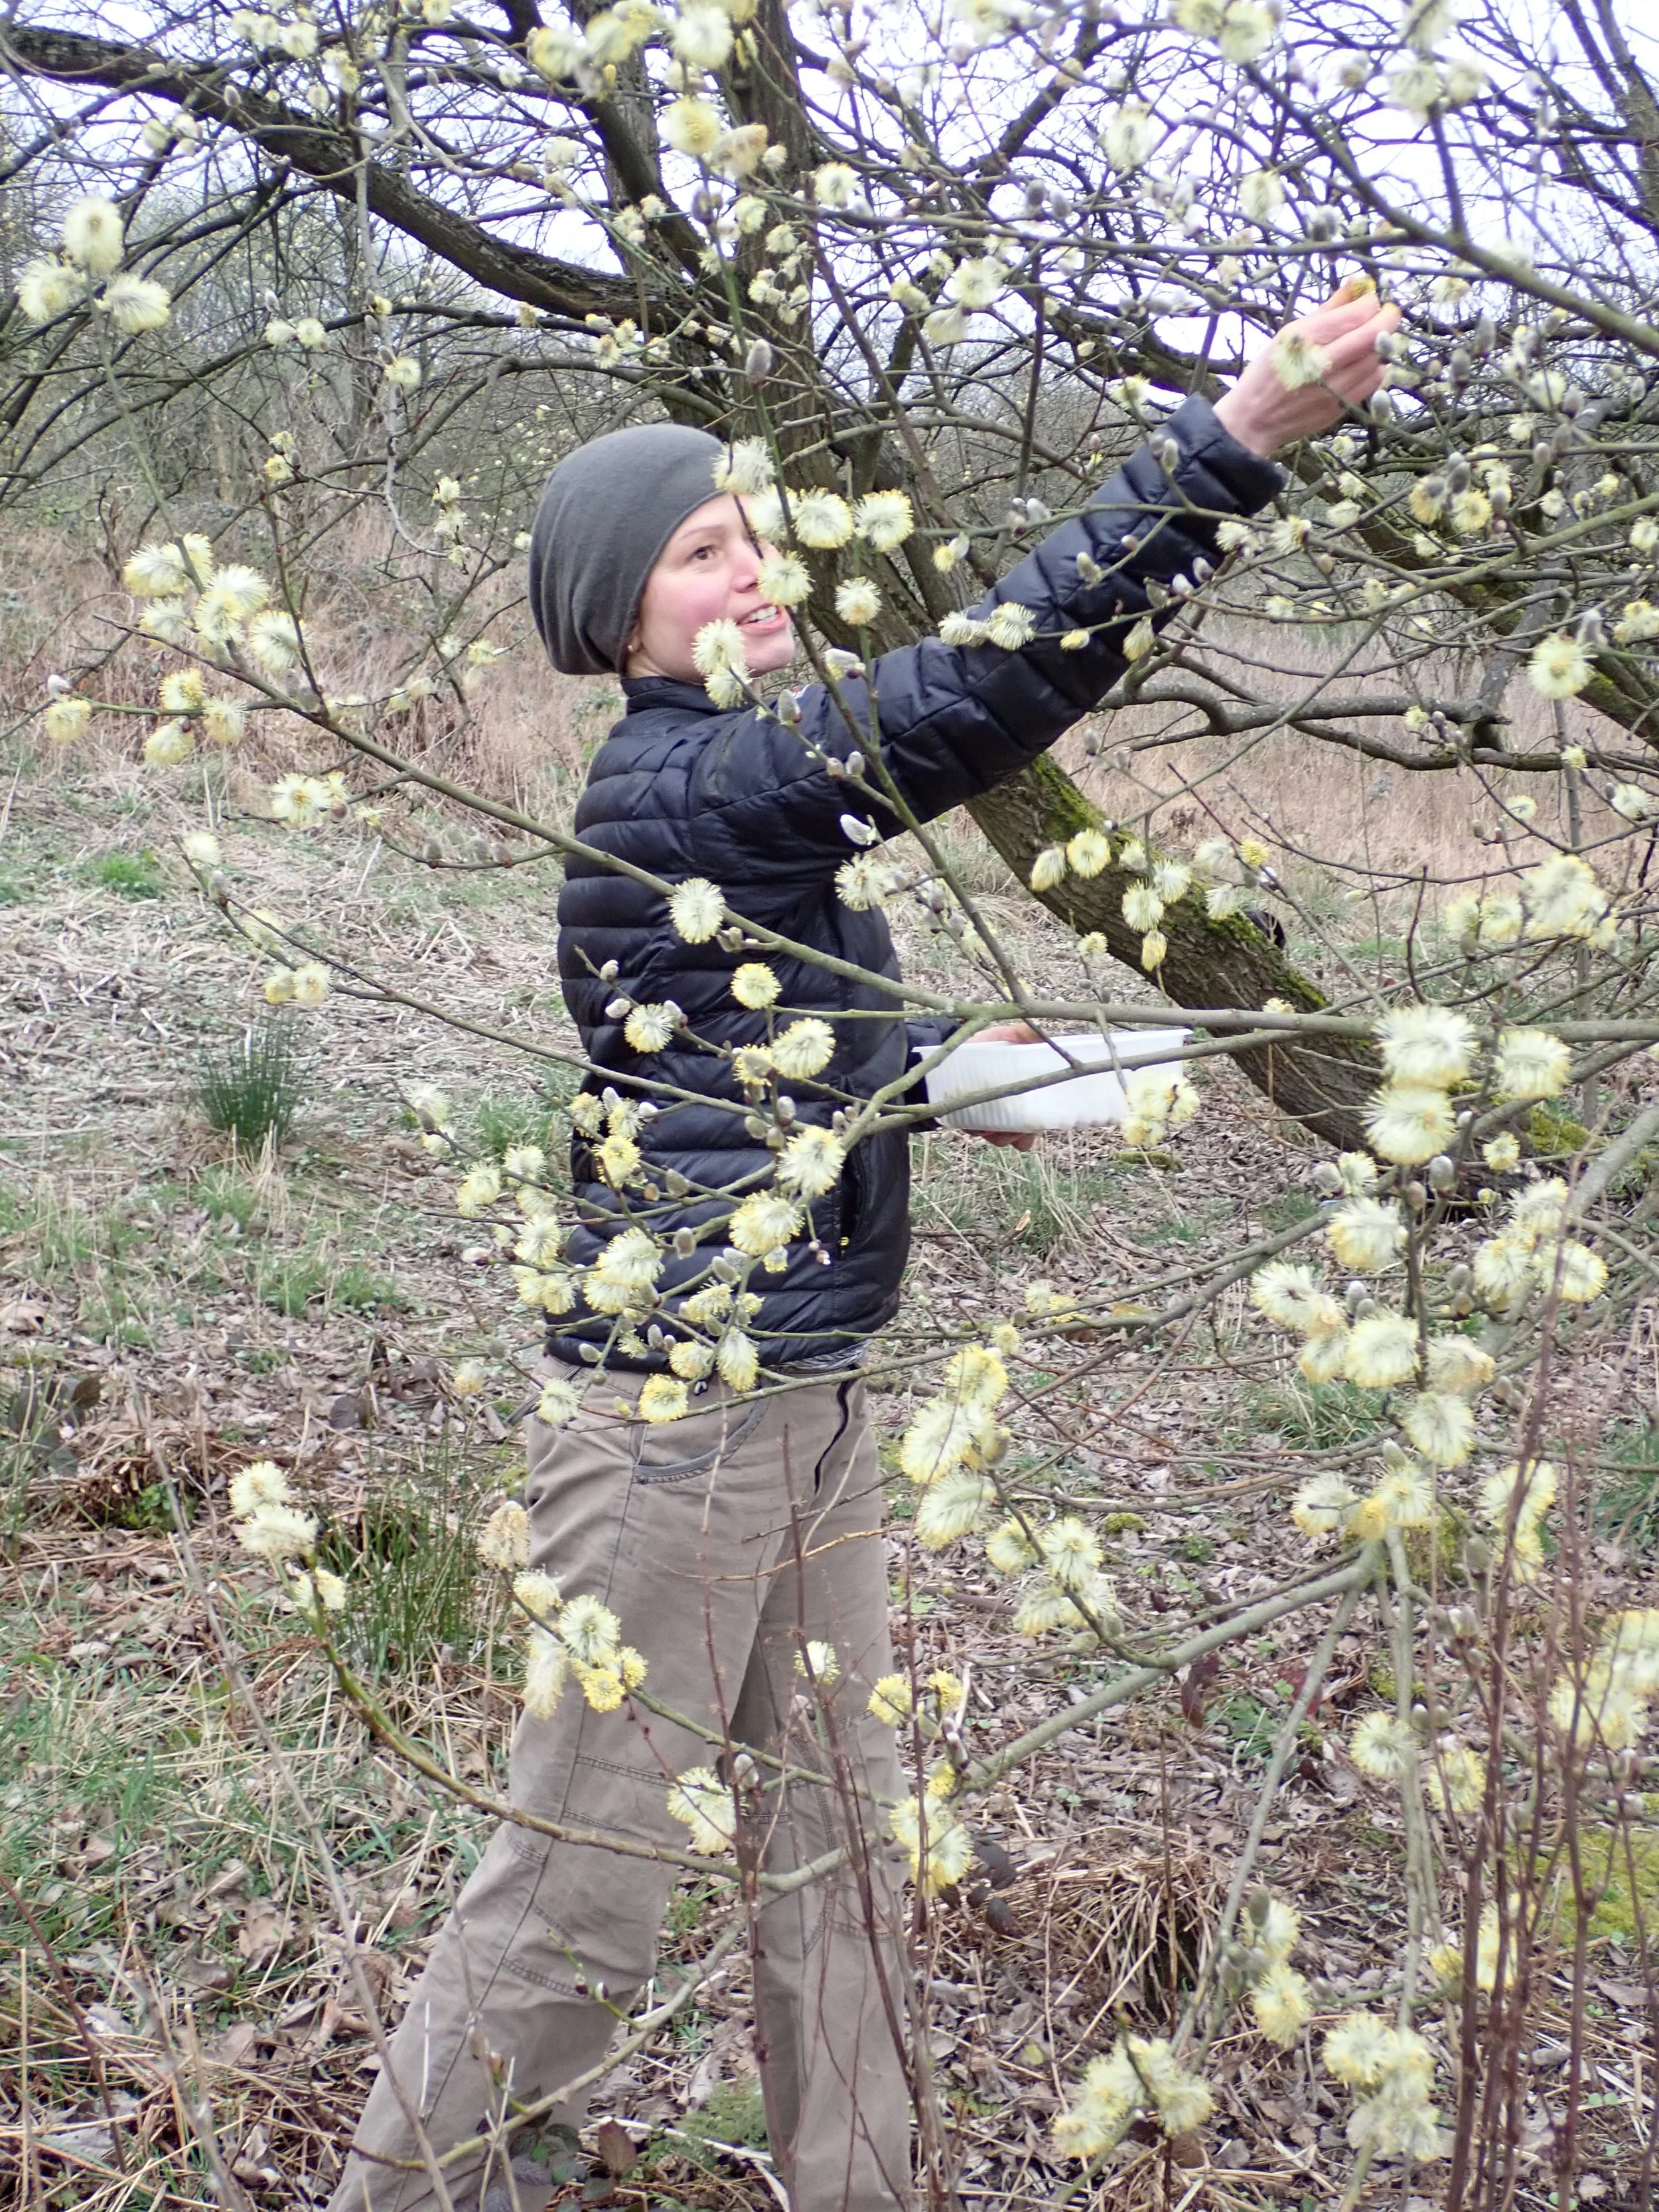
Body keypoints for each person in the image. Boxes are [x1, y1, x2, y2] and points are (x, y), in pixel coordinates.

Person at [327, 281, 1398, 2212]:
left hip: (797, 1390)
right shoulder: (691, 780)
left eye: (748, 535)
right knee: (583, 1875)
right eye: (694, 553)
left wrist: (963, 1064)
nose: (749, 574)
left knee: (839, 1842)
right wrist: (1220, 447)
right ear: (616, 616)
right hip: (673, 1421)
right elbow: (977, 690)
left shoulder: (746, 828)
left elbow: (773, 1051)